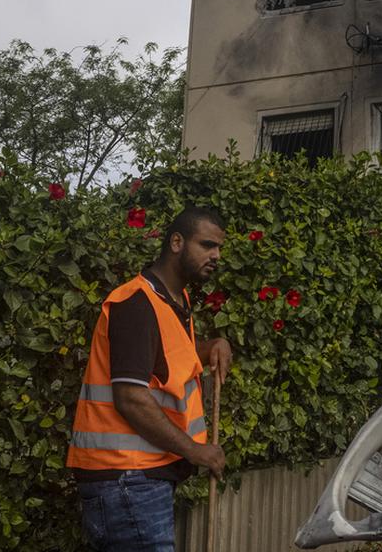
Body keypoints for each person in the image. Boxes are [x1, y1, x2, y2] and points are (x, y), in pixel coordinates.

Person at [67, 206, 234, 551]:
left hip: (136, 480)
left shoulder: (174, 300)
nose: (216, 255)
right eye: (206, 245)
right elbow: (130, 398)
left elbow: (167, 360)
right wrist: (195, 451)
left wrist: (211, 347)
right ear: (176, 242)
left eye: (218, 248)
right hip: (127, 480)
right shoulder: (136, 304)